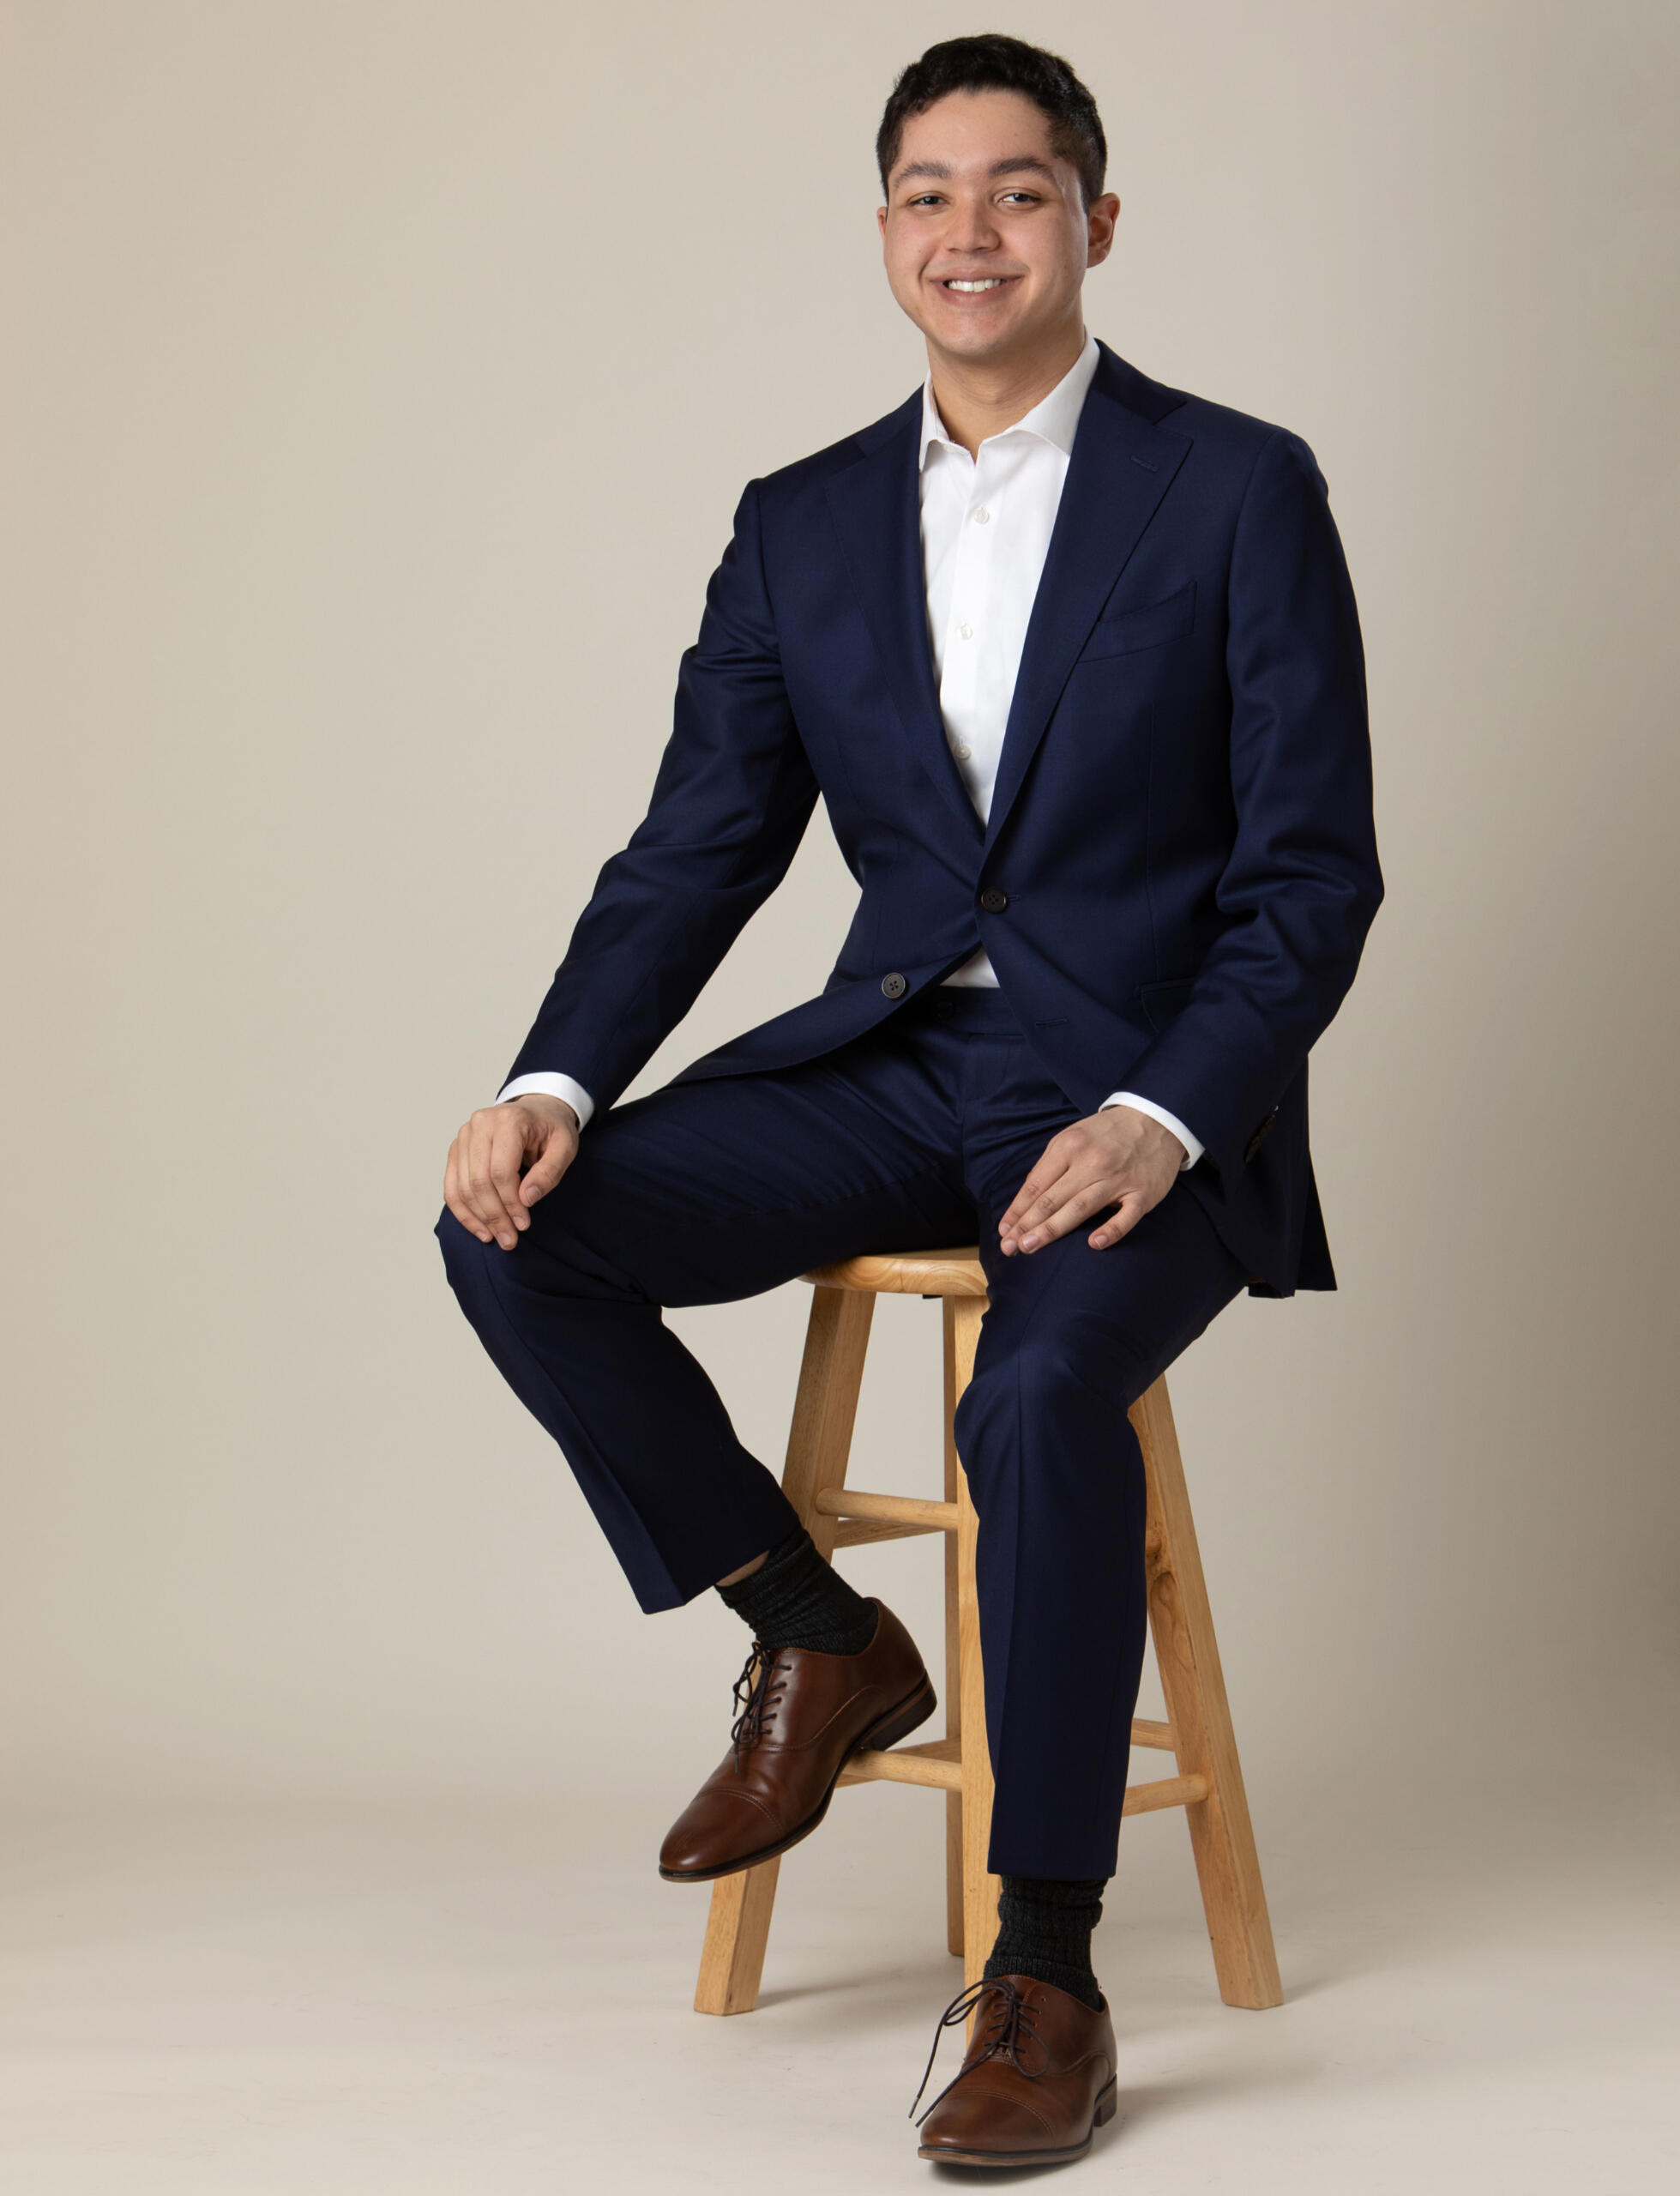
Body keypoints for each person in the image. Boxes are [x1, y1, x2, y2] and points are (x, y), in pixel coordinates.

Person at [437, 32, 1381, 2170]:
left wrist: (1158, 1112)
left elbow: (1310, 876)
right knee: (514, 1229)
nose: (971, 230)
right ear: (883, 233)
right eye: (928, 193)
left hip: (1139, 1086)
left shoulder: (1234, 484)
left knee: (1032, 1405)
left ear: (1094, 224)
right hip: (897, 1062)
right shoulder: (796, 524)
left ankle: (1040, 1967)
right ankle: (814, 1629)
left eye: (1018, 189)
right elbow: (697, 844)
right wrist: (550, 1072)